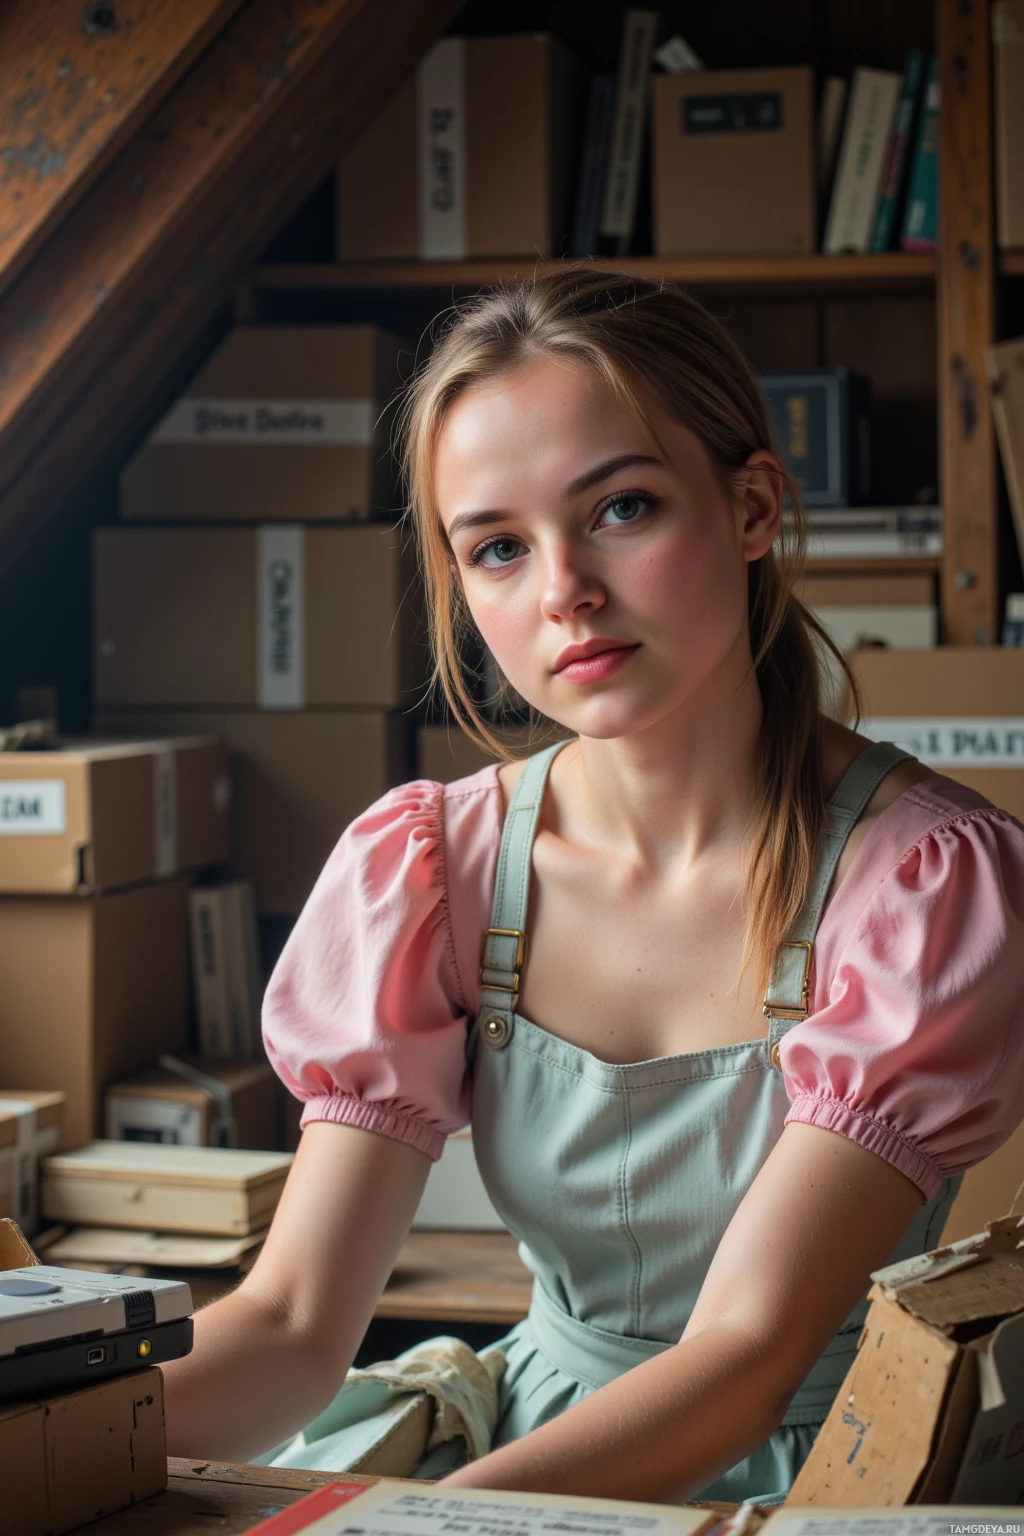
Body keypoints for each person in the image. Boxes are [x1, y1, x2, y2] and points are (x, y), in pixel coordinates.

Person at [162, 268, 1024, 1505]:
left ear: (752, 507)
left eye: (620, 507)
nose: (561, 586)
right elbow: (295, 1326)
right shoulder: (429, 871)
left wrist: (420, 1535)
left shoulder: (925, 885)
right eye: (498, 547)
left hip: (827, 1473)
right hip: (529, 1443)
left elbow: (743, 1365)